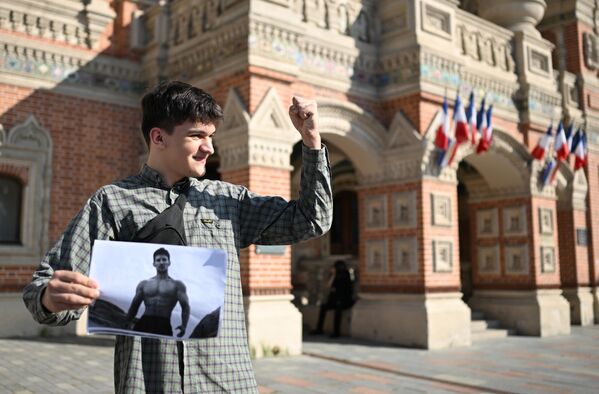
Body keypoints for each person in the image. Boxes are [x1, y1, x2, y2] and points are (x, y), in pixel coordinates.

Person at [22, 81, 333, 393]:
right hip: (151, 382)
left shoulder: (228, 201)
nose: (209, 147)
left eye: (210, 136)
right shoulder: (112, 202)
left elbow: (311, 220)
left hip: (226, 382)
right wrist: (50, 298)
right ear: (158, 137)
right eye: (197, 135)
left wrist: (311, 141)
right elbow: (43, 289)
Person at [126, 247, 190, 337]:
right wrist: (127, 322)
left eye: (164, 259)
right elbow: (134, 306)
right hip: (144, 322)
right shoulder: (144, 284)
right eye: (158, 260)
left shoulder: (177, 285)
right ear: (154, 263)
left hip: (163, 323)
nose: (161, 262)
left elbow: (185, 307)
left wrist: (184, 326)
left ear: (169, 263)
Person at [312, 260, 353, 338]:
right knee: (323, 307)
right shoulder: (335, 276)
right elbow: (328, 285)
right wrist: (333, 275)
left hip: (344, 301)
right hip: (335, 300)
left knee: (338, 311)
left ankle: (336, 332)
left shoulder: (345, 275)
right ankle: (319, 329)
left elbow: (345, 291)